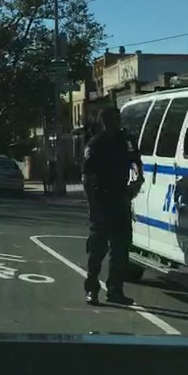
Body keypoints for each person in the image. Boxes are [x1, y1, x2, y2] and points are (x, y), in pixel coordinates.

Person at [82, 107, 143, 306]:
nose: (117, 123)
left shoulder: (126, 141)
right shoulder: (96, 144)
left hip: (121, 199)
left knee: (120, 249)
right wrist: (92, 205)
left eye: (118, 119)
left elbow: (135, 162)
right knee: (97, 250)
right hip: (101, 200)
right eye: (112, 119)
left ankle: (115, 290)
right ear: (104, 121)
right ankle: (92, 289)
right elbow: (87, 177)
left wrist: (137, 180)